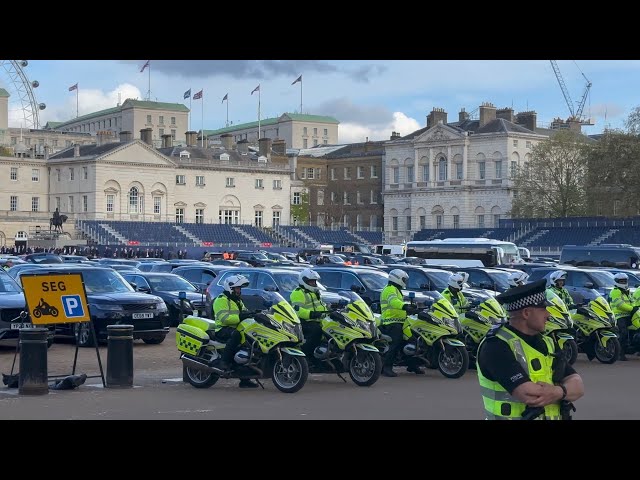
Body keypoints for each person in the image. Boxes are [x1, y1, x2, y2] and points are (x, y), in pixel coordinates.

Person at [476, 279, 584, 420]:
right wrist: (563, 391)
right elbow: (529, 395)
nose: (548, 315)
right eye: (543, 309)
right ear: (526, 313)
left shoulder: (547, 342)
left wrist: (558, 391)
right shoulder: (496, 346)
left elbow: (578, 385)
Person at [212, 274, 258, 388]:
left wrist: (254, 313)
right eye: (237, 288)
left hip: (237, 327)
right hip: (222, 329)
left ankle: (245, 378)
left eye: (240, 288)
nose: (239, 290)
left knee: (250, 341)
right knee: (237, 336)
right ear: (230, 288)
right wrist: (241, 317)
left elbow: (245, 311)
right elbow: (224, 318)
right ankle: (224, 362)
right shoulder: (221, 300)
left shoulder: (237, 300)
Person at [380, 269, 421, 377]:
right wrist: (405, 306)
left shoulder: (396, 289)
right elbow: (394, 302)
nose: (405, 282)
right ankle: (387, 367)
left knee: (412, 340)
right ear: (396, 278)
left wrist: (412, 306)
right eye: (404, 279)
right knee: (396, 343)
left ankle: (412, 365)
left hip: (401, 321)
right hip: (390, 322)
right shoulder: (389, 289)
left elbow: (399, 302)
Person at [290, 269, 329, 362]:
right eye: (311, 281)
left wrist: (330, 311)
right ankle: (307, 356)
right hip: (303, 322)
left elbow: (320, 306)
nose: (313, 283)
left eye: (314, 281)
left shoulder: (315, 292)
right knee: (316, 331)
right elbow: (297, 310)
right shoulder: (298, 293)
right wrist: (311, 314)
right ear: (304, 281)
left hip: (318, 320)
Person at [609, 272, 637, 361]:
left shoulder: (627, 291)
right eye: (621, 281)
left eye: (625, 281)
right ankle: (620, 353)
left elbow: (632, 301)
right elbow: (620, 304)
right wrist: (632, 309)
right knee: (623, 332)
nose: (624, 283)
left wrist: (635, 308)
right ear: (617, 281)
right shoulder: (615, 292)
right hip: (618, 315)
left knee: (636, 328)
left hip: (628, 314)